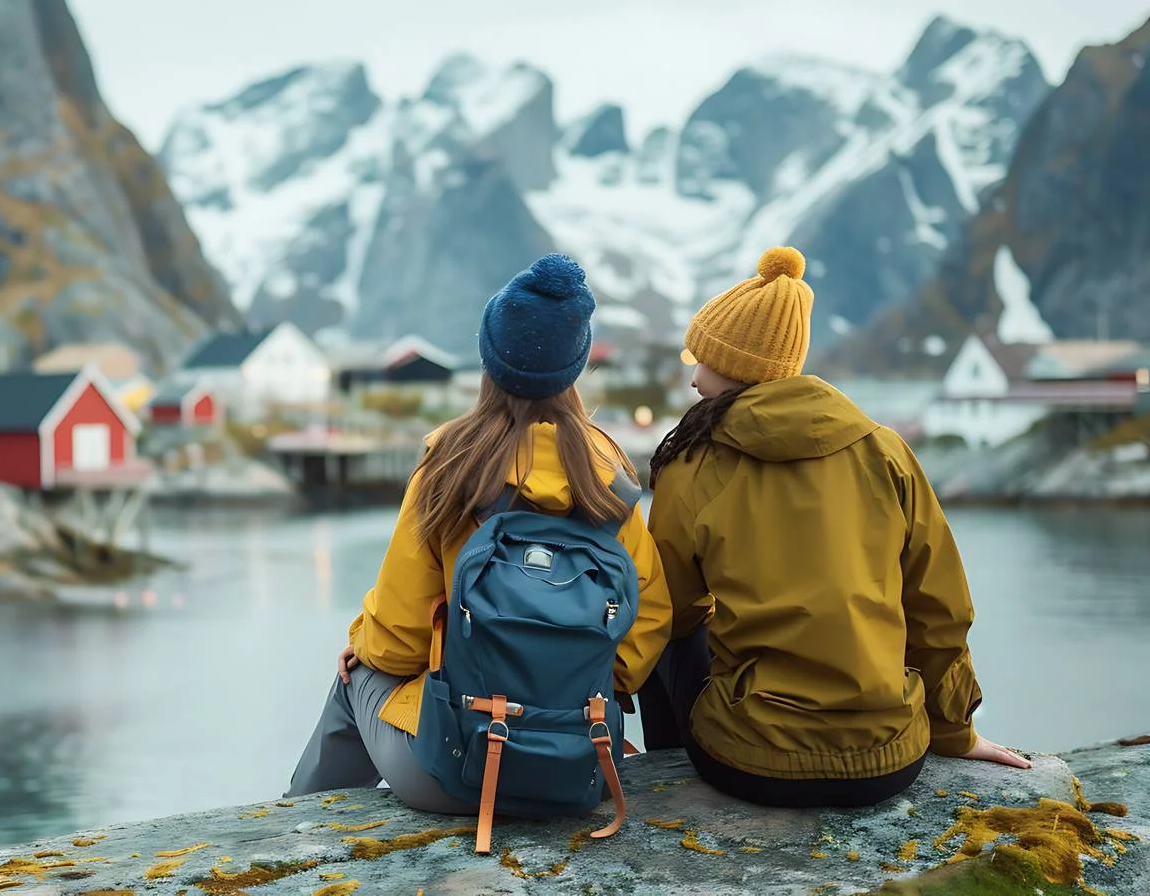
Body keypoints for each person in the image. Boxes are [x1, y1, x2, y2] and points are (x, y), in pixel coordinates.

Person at [639, 245, 1030, 810]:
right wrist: (954, 732)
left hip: (750, 760)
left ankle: (662, 771)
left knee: (675, 631)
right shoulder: (885, 449)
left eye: (703, 361)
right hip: (889, 760)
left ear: (737, 368)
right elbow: (940, 611)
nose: (694, 378)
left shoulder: (692, 462)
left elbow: (665, 608)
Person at [284, 254, 672, 814]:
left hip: (456, 766)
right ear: (576, 366)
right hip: (579, 764)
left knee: (356, 675)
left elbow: (397, 640)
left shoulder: (451, 462)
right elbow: (648, 621)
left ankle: (293, 838)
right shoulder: (607, 475)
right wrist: (565, 677)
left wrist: (362, 646)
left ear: (490, 359)